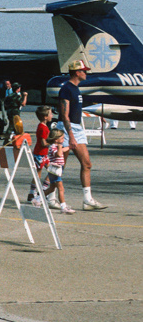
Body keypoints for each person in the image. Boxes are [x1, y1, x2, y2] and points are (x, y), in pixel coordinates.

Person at [57, 59, 105, 211]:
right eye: (84, 71)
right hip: (67, 129)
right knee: (59, 166)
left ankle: (87, 199)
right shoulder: (66, 89)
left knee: (87, 164)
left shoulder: (76, 89)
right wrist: (70, 135)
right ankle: (46, 196)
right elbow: (65, 115)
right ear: (77, 72)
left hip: (76, 128)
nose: (86, 73)